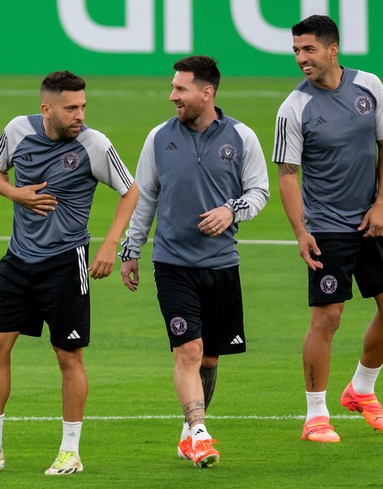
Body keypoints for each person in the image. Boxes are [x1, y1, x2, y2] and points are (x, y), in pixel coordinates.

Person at [0, 70, 138, 474]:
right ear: (46, 108)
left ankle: (70, 451)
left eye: (83, 106)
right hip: (18, 260)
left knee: (68, 356)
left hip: (66, 262)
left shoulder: (94, 144)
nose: (80, 115)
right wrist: (15, 192)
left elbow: (130, 190)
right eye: (71, 108)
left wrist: (108, 244)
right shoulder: (17, 130)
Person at [119, 56, 269, 467]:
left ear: (207, 92)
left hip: (222, 265)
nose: (172, 96)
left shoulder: (241, 137)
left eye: (180, 89)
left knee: (210, 358)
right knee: (188, 351)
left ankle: (189, 433)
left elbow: (259, 191)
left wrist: (230, 211)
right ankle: (201, 434)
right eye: (173, 88)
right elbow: (144, 196)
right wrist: (131, 251)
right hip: (172, 264)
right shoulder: (158, 138)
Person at [273, 15, 383, 443]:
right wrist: (301, 231)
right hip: (327, 228)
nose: (301, 58)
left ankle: (362, 390)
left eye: (308, 49)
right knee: (327, 318)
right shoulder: (293, 108)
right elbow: (288, 174)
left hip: (371, 219)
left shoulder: (368, 85)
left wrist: (382, 203)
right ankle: (316, 414)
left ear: (332, 50)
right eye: (296, 50)